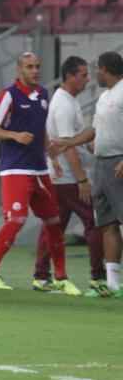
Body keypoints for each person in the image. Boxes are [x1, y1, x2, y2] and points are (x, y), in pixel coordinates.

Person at [0, 52, 75, 292]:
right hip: (15, 169)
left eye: (37, 66)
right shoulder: (8, 95)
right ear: (19, 70)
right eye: (30, 67)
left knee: (54, 221)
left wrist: (52, 156)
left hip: (39, 169)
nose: (35, 71)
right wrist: (14, 135)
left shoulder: (42, 94)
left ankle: (59, 278)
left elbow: (40, 129)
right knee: (16, 221)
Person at [32, 56, 109, 295]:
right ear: (70, 76)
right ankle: (98, 278)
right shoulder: (64, 105)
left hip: (61, 177)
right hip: (67, 178)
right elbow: (67, 146)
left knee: (55, 225)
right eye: (84, 75)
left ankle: (41, 276)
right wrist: (82, 180)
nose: (88, 79)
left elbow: (72, 142)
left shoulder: (68, 100)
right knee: (95, 223)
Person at [50, 51, 123, 295]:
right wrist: (68, 143)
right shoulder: (104, 97)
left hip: (119, 162)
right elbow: (94, 131)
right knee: (107, 223)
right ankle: (112, 283)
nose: (94, 76)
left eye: (97, 70)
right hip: (102, 164)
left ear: (106, 69)